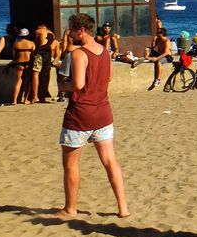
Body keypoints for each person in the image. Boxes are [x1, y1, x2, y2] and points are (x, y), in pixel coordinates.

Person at [55, 12, 128, 220]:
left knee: (70, 164)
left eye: (70, 29)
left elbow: (77, 85)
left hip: (80, 115)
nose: (69, 34)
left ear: (81, 30)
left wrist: (62, 84)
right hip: (103, 113)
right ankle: (123, 208)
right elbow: (109, 77)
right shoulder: (104, 51)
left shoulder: (79, 54)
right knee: (110, 161)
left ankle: (70, 208)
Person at [11, 28, 38, 105]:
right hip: (28, 63)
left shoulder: (16, 44)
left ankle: (14, 100)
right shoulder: (31, 43)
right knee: (27, 82)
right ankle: (25, 100)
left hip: (19, 63)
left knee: (18, 81)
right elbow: (34, 55)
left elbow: (13, 56)